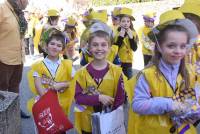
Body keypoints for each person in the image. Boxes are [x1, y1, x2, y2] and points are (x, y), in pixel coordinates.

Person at [132, 10, 199, 134]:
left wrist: (192, 110)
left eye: (183, 46)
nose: (178, 51)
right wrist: (169, 104)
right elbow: (137, 105)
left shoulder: (190, 72)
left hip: (183, 129)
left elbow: (193, 97)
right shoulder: (148, 75)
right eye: (171, 46)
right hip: (154, 130)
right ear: (159, 46)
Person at [74, 29, 126, 134]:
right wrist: (99, 98)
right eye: (95, 45)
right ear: (89, 47)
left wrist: (110, 117)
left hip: (110, 124)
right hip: (88, 124)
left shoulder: (117, 72)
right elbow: (78, 98)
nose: (99, 48)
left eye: (103, 45)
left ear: (110, 48)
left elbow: (120, 98)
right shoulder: (80, 74)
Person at [27, 29, 75, 116]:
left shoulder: (67, 64)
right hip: (44, 103)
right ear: (46, 45)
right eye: (52, 44)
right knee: (46, 127)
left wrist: (62, 85)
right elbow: (38, 86)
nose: (55, 47)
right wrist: (49, 102)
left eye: (59, 45)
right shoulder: (38, 66)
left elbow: (75, 82)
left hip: (62, 103)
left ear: (62, 49)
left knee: (61, 127)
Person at [0, 0, 30, 118]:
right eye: (27, 0)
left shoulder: (18, 12)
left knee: (14, 87)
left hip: (18, 58)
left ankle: (15, 110)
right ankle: (3, 117)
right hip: (3, 59)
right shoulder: (2, 8)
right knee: (2, 90)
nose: (28, 3)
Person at [114, 7, 138, 79]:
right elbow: (115, 49)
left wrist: (131, 38)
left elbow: (134, 48)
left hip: (128, 61)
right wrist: (121, 36)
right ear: (119, 22)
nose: (126, 23)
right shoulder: (116, 33)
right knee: (119, 80)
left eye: (128, 21)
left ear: (130, 23)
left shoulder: (133, 33)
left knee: (129, 79)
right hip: (118, 61)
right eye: (123, 21)